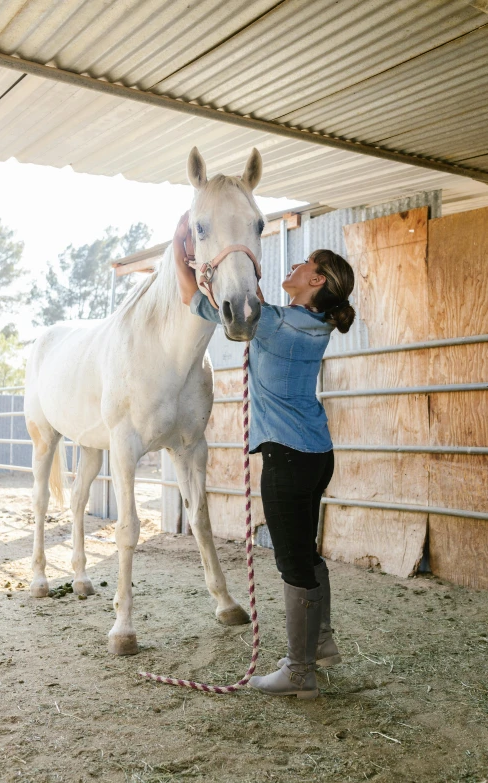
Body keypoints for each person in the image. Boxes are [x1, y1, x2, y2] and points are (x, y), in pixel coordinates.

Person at [173, 212, 355, 699]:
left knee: (293, 562)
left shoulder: (274, 323)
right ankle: (323, 644)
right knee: (307, 554)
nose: (293, 266)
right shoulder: (312, 323)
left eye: (303, 264)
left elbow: (193, 298)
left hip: (288, 460)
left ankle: (299, 672)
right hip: (317, 454)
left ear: (315, 280)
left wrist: (179, 246)